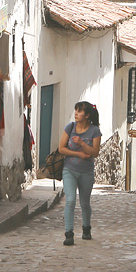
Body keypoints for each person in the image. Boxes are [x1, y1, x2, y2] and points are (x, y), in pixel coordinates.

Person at [59, 101, 101, 246]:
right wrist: (78, 154)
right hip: (69, 170)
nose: (76, 113)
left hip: (86, 172)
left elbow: (95, 152)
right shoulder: (70, 128)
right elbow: (61, 149)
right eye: (75, 110)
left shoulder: (94, 131)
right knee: (70, 200)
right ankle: (69, 233)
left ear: (87, 115)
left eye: (79, 111)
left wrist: (83, 144)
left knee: (84, 203)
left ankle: (86, 228)